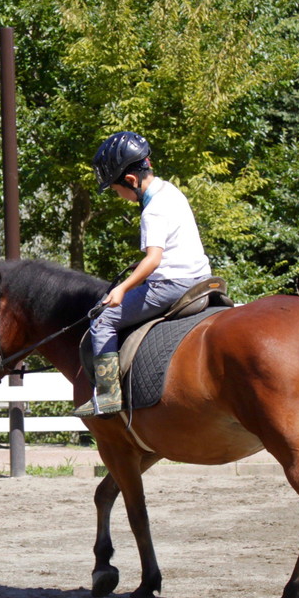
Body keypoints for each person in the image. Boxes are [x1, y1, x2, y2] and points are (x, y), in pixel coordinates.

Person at [74, 131, 211, 418]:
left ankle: (110, 395)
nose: (117, 195)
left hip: (171, 284)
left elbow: (153, 260)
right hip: (200, 278)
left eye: (115, 189)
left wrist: (122, 288)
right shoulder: (170, 191)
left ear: (131, 181)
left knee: (103, 320)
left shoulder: (153, 211)